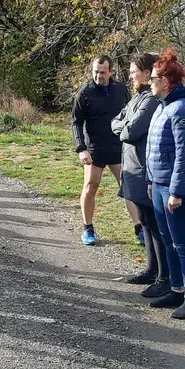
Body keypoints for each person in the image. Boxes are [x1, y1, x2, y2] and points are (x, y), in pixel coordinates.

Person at [144, 49, 185, 320]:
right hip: (158, 184)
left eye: (153, 79)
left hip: (174, 188)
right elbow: (154, 147)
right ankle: (176, 290)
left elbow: (184, 155)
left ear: (166, 81)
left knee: (182, 243)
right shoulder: (162, 106)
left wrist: (176, 192)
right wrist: (150, 180)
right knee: (168, 241)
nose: (149, 83)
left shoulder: (182, 109)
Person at [111, 53, 170, 298]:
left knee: (155, 225)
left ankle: (163, 277)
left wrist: (122, 127)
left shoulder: (150, 100)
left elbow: (131, 131)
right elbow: (116, 121)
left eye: (134, 71)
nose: (131, 75)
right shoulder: (137, 97)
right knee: (145, 221)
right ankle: (151, 270)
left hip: (144, 170)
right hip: (133, 168)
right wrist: (122, 126)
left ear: (147, 73)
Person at [71, 55, 137, 246]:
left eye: (102, 72)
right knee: (91, 185)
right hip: (95, 149)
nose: (99, 76)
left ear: (111, 72)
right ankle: (88, 229)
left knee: (129, 188)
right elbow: (76, 122)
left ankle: (139, 227)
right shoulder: (85, 92)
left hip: (118, 148)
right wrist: (81, 149)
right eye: (95, 72)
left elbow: (131, 115)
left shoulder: (121, 90)